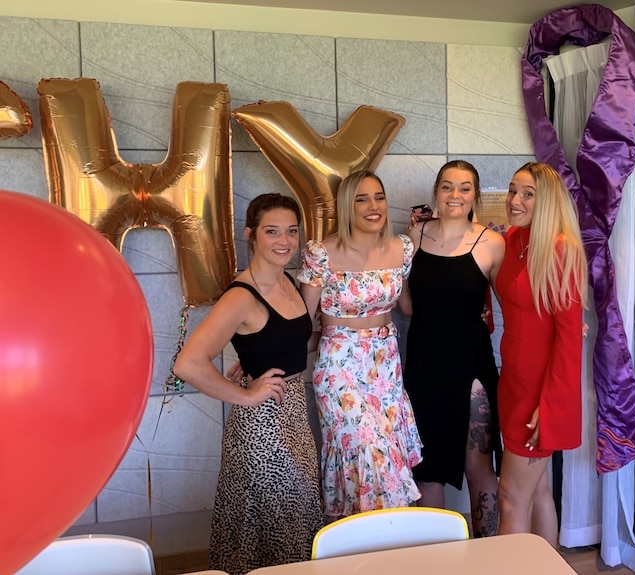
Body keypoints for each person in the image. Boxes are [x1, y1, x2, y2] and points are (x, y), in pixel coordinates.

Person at [172, 193, 323, 574]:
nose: (284, 241)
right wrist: (246, 394)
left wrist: (256, 355)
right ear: (251, 235)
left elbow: (292, 339)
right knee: (275, 530)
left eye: (291, 231)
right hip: (262, 428)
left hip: (293, 415)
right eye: (272, 231)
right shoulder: (242, 295)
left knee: (294, 523)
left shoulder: (287, 280)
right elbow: (188, 364)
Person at [298, 169, 423, 521]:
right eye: (362, 199)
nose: (373, 206)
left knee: (386, 458)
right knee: (367, 453)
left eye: (379, 197)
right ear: (346, 206)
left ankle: (387, 551)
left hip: (385, 365)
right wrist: (259, 357)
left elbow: (409, 307)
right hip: (340, 367)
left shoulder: (402, 248)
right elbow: (301, 321)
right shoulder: (321, 253)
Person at [400, 160, 505, 537]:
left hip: (471, 366)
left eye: (464, 188)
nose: (455, 195)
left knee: (479, 468)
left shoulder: (492, 242)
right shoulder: (414, 238)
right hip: (424, 367)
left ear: (475, 195)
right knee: (426, 470)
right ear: (436, 193)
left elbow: (513, 302)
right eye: (447, 187)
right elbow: (410, 308)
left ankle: (488, 556)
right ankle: (437, 560)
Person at [494, 162, 588, 546]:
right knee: (536, 492)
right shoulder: (515, 240)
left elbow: (570, 338)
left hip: (539, 392)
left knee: (510, 499)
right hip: (512, 383)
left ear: (547, 201)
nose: (515, 200)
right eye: (513, 190)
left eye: (527, 194)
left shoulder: (560, 249)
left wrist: (550, 404)